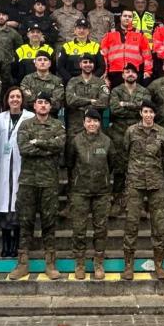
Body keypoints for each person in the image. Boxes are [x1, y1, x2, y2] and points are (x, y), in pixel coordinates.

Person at [10, 93, 66, 280]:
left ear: (51, 107)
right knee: (25, 222)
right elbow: (23, 149)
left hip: (49, 182)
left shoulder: (58, 125)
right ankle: (22, 263)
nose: (43, 105)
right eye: (40, 102)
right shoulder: (25, 125)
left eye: (46, 103)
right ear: (34, 106)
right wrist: (47, 148)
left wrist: (37, 143)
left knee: (49, 222)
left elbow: (59, 146)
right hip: (28, 181)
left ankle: (50, 263)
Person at [121, 100, 164, 281]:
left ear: (155, 114)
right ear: (141, 113)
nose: (148, 115)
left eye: (151, 112)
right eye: (145, 111)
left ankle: (159, 264)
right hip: (135, 182)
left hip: (156, 183)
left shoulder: (162, 132)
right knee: (131, 224)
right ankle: (128, 265)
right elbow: (124, 154)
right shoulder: (131, 131)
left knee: (159, 225)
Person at [66, 107, 116, 280]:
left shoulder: (107, 141)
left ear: (99, 123)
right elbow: (70, 162)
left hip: (101, 192)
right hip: (80, 191)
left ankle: (98, 262)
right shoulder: (76, 141)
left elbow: (112, 163)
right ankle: (80, 263)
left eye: (95, 121)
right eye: (89, 121)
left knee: (100, 230)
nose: (92, 124)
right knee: (79, 229)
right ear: (84, 123)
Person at [0, 86, 33, 258]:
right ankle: (6, 243)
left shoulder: (30, 117)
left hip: (21, 165)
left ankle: (16, 244)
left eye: (18, 96)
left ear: (22, 100)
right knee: (4, 205)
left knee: (18, 206)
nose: (15, 99)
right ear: (7, 100)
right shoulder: (0, 118)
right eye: (12, 97)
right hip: (4, 166)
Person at [108, 63, 151, 215]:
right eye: (127, 72)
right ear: (123, 75)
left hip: (139, 133)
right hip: (119, 133)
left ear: (137, 75)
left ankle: (138, 205)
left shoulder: (144, 91)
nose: (130, 74)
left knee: (139, 169)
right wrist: (135, 108)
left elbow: (144, 109)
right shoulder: (116, 90)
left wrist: (125, 104)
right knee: (120, 169)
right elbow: (115, 109)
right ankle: (117, 202)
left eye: (133, 72)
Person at [101, 9, 151, 87]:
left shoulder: (139, 34)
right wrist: (105, 72)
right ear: (120, 17)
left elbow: (147, 55)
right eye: (125, 16)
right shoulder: (110, 33)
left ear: (133, 19)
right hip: (115, 72)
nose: (127, 18)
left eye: (130, 16)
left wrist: (147, 71)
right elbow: (104, 55)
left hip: (134, 72)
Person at [64, 54, 110, 134]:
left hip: (94, 125)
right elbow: (70, 100)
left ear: (93, 65)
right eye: (85, 62)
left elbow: (104, 103)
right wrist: (91, 101)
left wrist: (79, 105)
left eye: (90, 62)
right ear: (80, 65)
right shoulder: (73, 81)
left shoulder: (100, 82)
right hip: (76, 126)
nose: (88, 64)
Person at [57, 18, 105, 82]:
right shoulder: (67, 46)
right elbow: (60, 67)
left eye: (84, 28)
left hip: (91, 82)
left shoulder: (95, 46)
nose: (82, 31)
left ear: (88, 31)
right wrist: (72, 80)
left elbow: (102, 67)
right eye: (79, 28)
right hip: (71, 82)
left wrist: (91, 80)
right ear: (75, 30)